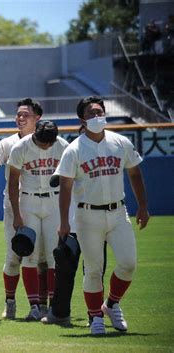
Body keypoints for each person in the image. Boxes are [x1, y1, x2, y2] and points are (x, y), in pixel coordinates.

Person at [55, 96, 150, 335]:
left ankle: (111, 304)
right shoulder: (74, 149)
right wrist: (64, 221)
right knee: (93, 269)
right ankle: (96, 316)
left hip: (118, 211)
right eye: (91, 113)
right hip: (88, 216)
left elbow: (135, 174)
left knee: (128, 264)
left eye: (99, 112)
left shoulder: (120, 142)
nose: (97, 117)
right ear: (82, 119)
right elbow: (65, 187)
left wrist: (143, 206)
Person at [0, 98, 41, 320]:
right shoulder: (7, 143)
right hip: (14, 205)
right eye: (18, 115)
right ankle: (10, 301)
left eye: (26, 114)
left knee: (38, 257)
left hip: (40, 203)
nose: (20, 118)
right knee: (14, 256)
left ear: (37, 118)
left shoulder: (45, 142)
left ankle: (37, 306)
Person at [8, 120, 69, 321]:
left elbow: (70, 179)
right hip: (29, 201)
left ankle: (52, 307)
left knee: (54, 255)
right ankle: (34, 306)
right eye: (43, 142)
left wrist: (68, 215)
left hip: (54, 201)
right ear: (35, 133)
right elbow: (13, 181)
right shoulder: (21, 147)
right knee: (29, 255)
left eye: (49, 143)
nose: (46, 146)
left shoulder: (62, 145)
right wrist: (16, 214)